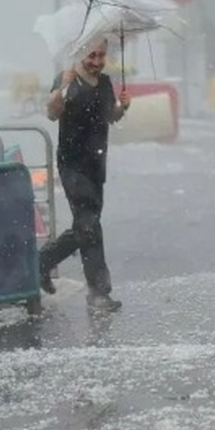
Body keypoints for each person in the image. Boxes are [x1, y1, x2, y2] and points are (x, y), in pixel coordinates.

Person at [38, 40, 131, 310]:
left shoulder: (104, 83)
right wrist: (62, 89)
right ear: (81, 55)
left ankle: (40, 263)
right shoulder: (66, 78)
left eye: (102, 55)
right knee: (88, 224)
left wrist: (122, 107)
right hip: (72, 164)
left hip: (96, 164)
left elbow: (109, 116)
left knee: (87, 225)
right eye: (92, 55)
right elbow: (52, 113)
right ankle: (99, 292)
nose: (97, 61)